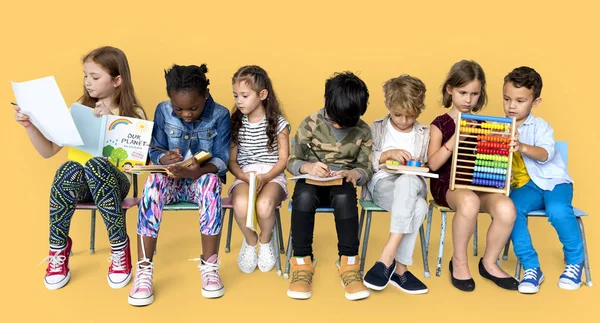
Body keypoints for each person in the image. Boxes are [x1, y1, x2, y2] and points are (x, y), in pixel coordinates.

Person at [14, 46, 145, 290]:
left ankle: (119, 247)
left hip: (116, 183)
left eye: (95, 77)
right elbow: (48, 151)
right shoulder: (78, 110)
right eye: (86, 75)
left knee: (96, 164)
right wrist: (30, 126)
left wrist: (110, 121)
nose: (88, 82)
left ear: (118, 80)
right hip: (83, 186)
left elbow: (135, 163)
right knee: (68, 168)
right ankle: (57, 249)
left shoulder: (132, 113)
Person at [128, 64, 231, 306]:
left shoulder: (220, 114)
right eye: (179, 108)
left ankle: (210, 266)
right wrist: (164, 159)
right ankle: (144, 270)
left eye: (193, 108)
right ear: (170, 100)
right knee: (153, 182)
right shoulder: (163, 111)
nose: (186, 114)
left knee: (211, 181)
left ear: (206, 95)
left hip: (199, 183)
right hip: (170, 184)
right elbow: (155, 150)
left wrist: (200, 170)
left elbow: (222, 159)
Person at [427, 60, 518, 292]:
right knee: (468, 200)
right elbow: (432, 165)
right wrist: (455, 140)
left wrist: (503, 151)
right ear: (450, 90)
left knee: (507, 207)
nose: (468, 100)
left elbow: (490, 161)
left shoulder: (485, 125)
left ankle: (489, 263)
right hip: (447, 185)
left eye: (474, 94)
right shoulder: (440, 124)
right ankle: (458, 261)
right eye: (462, 92)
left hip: (478, 184)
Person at [286, 71, 373, 301]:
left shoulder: (363, 130)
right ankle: (303, 262)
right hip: (311, 184)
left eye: (347, 123)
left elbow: (366, 168)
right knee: (303, 197)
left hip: (341, 186)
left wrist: (354, 173)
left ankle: (349, 264)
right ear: (326, 101)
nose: (339, 126)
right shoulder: (310, 124)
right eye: (335, 120)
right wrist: (308, 168)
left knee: (345, 197)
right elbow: (291, 161)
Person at [504, 66, 584, 293]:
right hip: (526, 188)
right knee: (509, 211)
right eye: (507, 98)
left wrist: (521, 146)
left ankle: (575, 262)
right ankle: (532, 267)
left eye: (520, 101)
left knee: (558, 211)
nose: (512, 106)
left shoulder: (541, 127)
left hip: (554, 182)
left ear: (535, 102)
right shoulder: (499, 126)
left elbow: (545, 154)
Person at [363, 75, 429, 294]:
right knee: (419, 207)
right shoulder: (377, 128)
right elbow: (365, 162)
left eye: (410, 116)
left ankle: (386, 257)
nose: (403, 121)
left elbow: (428, 164)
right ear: (388, 106)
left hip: (413, 184)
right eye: (398, 114)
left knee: (409, 179)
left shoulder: (424, 134)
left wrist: (419, 164)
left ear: (419, 110)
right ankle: (400, 270)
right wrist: (385, 155)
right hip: (383, 184)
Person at [228, 65, 290, 273]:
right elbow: (233, 162)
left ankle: (265, 242)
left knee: (264, 205)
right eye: (236, 95)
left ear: (262, 95)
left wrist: (267, 177)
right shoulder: (236, 123)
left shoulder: (278, 124)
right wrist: (244, 177)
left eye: (245, 95)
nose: (239, 100)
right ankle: (250, 241)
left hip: (272, 174)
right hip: (246, 174)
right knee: (240, 204)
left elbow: (283, 160)